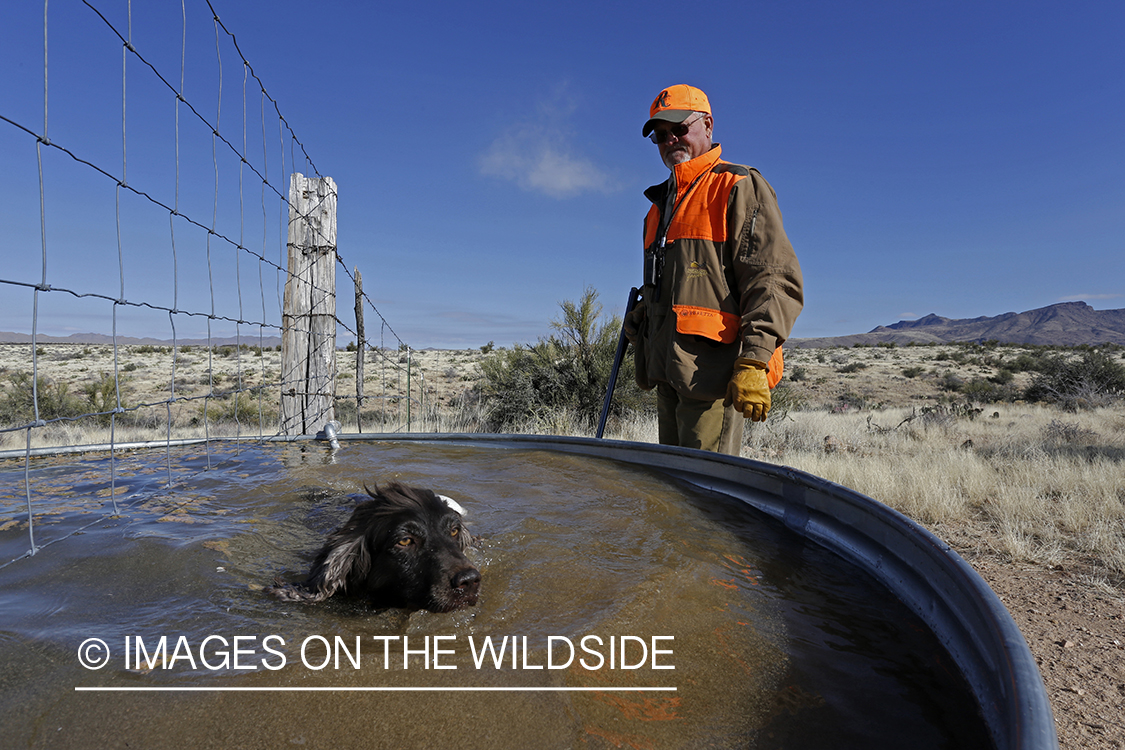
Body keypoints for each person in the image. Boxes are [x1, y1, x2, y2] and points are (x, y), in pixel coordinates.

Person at [624, 84, 803, 455]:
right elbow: (686, 289)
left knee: (705, 497)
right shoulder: (658, 208)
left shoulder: (737, 186)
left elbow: (772, 279)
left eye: (679, 129)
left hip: (712, 379)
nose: (670, 139)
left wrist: (753, 360)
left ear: (707, 125)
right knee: (673, 492)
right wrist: (645, 317)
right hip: (669, 375)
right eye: (660, 134)